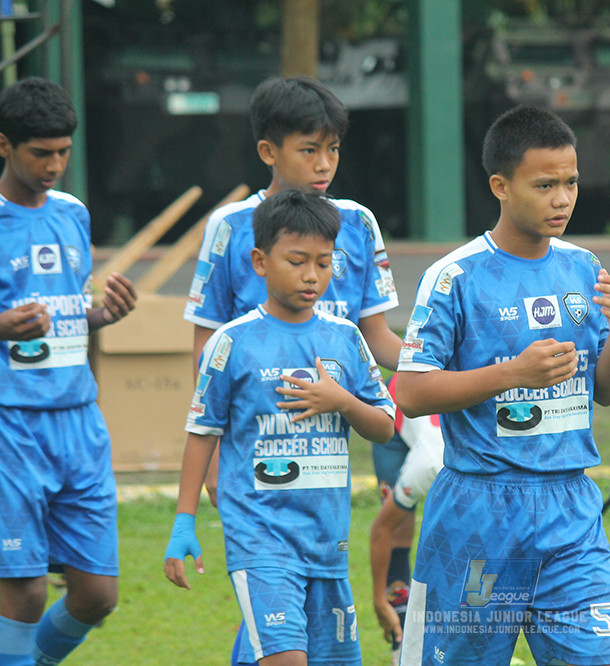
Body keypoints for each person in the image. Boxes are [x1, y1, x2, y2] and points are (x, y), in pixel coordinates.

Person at [181, 76, 414, 664]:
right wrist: (211, 461)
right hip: (255, 454)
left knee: (289, 623)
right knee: (273, 605)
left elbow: (377, 337)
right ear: (269, 151)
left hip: (325, 456)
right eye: (309, 149)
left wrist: (441, 363)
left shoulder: (356, 224)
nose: (324, 163)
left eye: (333, 149)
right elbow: (206, 348)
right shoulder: (232, 228)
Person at [394, 105, 610, 665]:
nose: (563, 199)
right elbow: (409, 391)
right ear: (501, 186)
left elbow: (608, 390)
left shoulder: (583, 268)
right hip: (479, 510)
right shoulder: (456, 276)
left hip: (570, 508)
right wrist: (512, 375)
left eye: (571, 182)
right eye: (545, 185)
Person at [163, 189, 395, 665]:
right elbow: (202, 430)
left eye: (324, 263)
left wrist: (341, 401)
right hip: (260, 539)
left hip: (328, 543)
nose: (312, 275)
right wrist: (184, 521)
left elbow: (385, 427)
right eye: (297, 261)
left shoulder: (346, 338)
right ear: (260, 261)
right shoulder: (232, 342)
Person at [0, 77, 138, 665]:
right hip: (11, 423)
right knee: (25, 594)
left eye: (63, 151)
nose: (55, 164)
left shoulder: (73, 214)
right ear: (4, 145)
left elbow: (68, 313)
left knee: (96, 595)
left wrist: (100, 315)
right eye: (41, 153)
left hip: (79, 421)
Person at [370, 374, 444, 664]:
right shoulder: (426, 465)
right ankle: (400, 633)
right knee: (399, 524)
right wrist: (378, 600)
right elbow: (381, 531)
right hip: (395, 401)